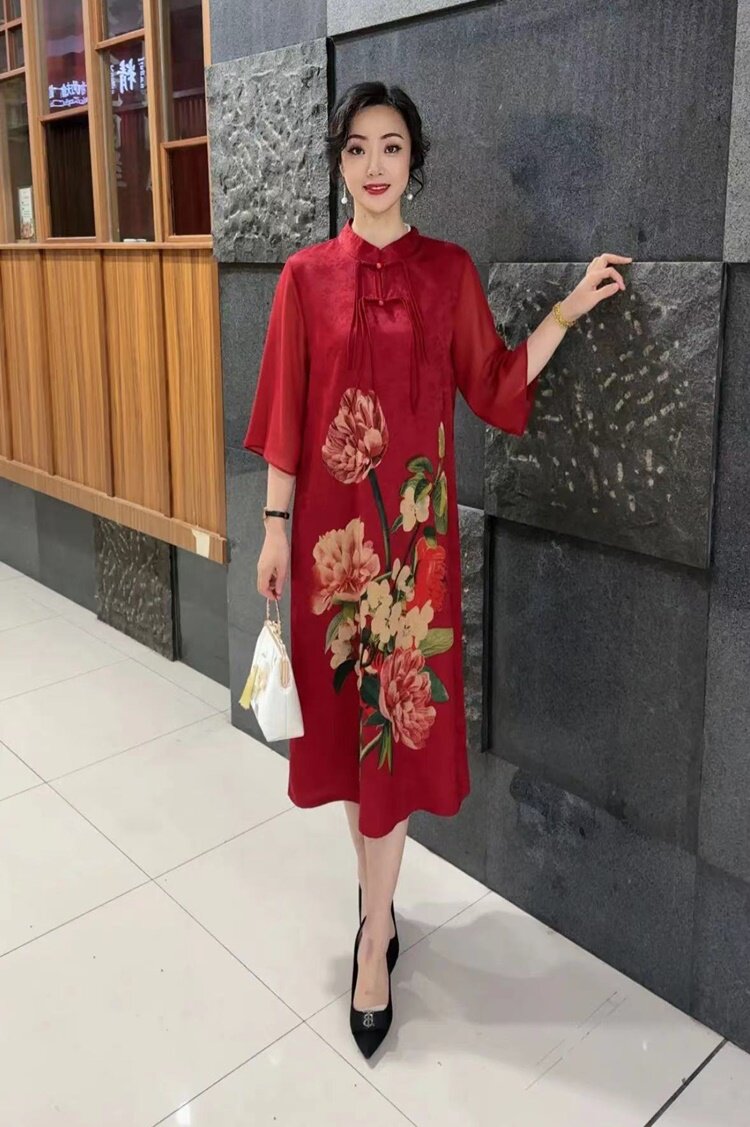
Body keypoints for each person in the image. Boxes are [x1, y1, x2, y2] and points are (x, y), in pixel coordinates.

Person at [243, 80, 632, 1058]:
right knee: (349, 737)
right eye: (358, 148)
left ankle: (374, 929)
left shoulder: (448, 271)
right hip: (333, 551)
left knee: (394, 739)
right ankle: (377, 907)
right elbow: (285, 414)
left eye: (392, 146)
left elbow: (493, 384)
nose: (375, 165)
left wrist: (567, 313)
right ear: (340, 165)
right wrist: (276, 528)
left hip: (412, 560)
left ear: (415, 160)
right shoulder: (303, 277)